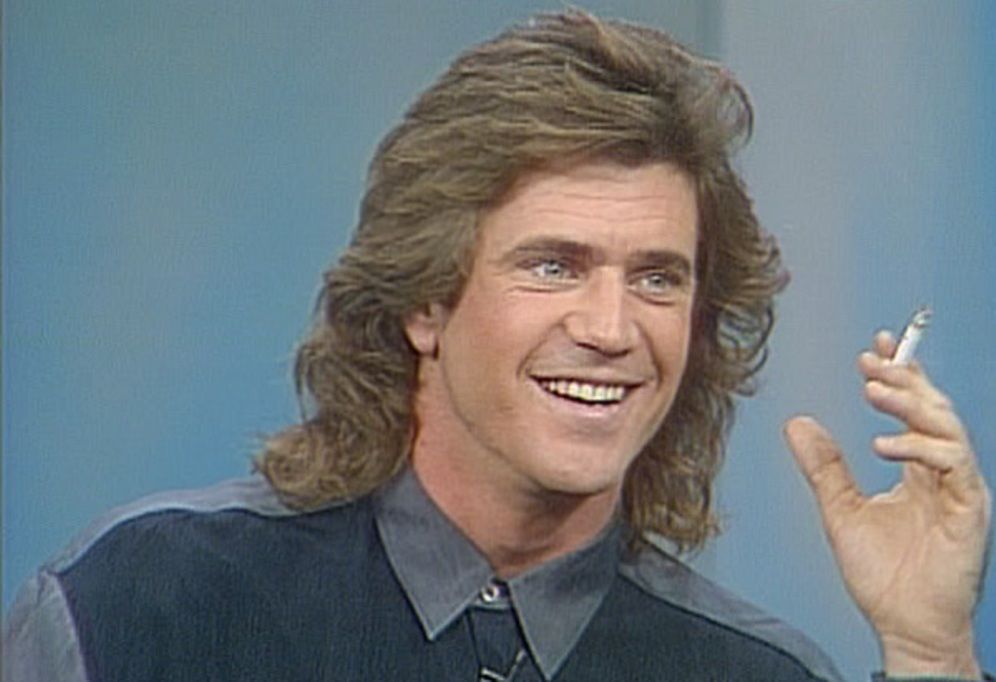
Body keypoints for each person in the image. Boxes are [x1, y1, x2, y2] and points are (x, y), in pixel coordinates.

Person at [4, 10, 990, 681]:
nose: (611, 330)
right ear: (425, 302)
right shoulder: (142, 608)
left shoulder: (749, 670)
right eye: (553, 266)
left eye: (658, 277)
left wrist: (931, 655)